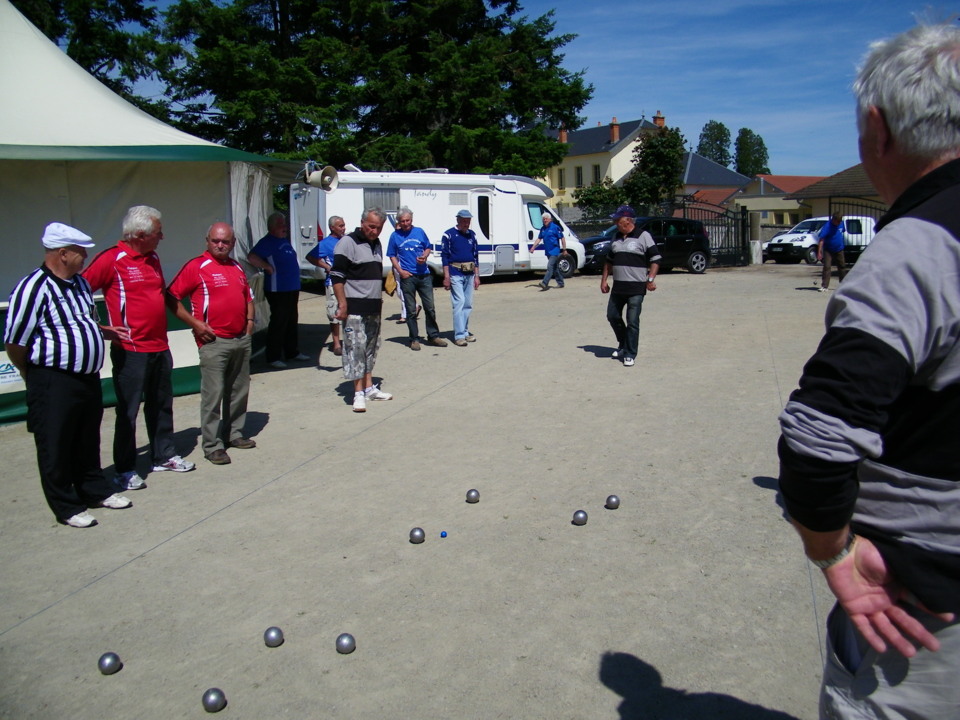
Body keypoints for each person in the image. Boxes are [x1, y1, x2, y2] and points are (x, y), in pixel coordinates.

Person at [777, 22, 960, 720]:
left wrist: (836, 554)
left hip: (927, 609)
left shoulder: (920, 248)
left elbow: (819, 443)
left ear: (878, 130)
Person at [4, 223, 133, 527]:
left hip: (86, 377)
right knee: (56, 443)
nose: (85, 256)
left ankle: (93, 490)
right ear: (62, 253)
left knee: (87, 438)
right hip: (53, 379)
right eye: (80, 252)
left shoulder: (80, 284)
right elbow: (15, 341)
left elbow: (79, 321)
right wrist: (31, 372)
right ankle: (66, 505)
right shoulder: (32, 288)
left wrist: (102, 331)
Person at [83, 205, 195, 492]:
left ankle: (164, 455)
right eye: (158, 232)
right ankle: (124, 469)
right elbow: (79, 291)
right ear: (141, 234)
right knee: (128, 412)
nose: (163, 237)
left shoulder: (153, 256)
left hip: (159, 345)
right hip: (131, 350)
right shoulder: (112, 259)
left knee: (162, 405)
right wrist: (100, 327)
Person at [167, 223, 257, 465]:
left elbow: (248, 297)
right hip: (214, 342)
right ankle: (212, 444)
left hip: (240, 338)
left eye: (225, 241)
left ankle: (234, 433)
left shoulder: (237, 267)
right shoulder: (197, 267)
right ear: (207, 240)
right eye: (216, 241)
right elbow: (171, 296)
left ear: (233, 243)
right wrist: (195, 323)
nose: (220, 245)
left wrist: (249, 321)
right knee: (213, 395)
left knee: (239, 391)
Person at [330, 208, 393, 413]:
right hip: (354, 307)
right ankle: (357, 393)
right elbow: (337, 276)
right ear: (362, 222)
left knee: (370, 349)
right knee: (355, 350)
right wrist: (343, 304)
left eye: (379, 228)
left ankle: (369, 388)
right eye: (371, 226)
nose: (374, 231)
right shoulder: (347, 242)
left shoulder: (377, 244)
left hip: (373, 306)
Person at [247, 211, 309, 369]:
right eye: (281, 225)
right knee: (278, 323)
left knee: (291, 320)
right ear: (272, 227)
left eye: (285, 225)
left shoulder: (283, 240)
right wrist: (266, 266)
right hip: (278, 290)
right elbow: (252, 257)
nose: (285, 228)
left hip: (291, 288)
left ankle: (292, 352)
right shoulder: (268, 242)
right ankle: (273, 356)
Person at [600, 205, 660, 367]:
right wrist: (604, 280)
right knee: (612, 316)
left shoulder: (643, 236)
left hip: (636, 288)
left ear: (627, 221)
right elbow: (609, 261)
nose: (615, 222)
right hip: (618, 288)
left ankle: (630, 353)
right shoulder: (616, 237)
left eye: (617, 220)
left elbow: (655, 259)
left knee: (632, 320)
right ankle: (623, 343)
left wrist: (651, 278)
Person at [387, 207, 448, 351]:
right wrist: (400, 271)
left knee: (430, 307)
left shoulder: (419, 231)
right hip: (408, 277)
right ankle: (414, 338)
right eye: (402, 221)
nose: (405, 223)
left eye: (407, 220)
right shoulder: (395, 236)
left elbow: (427, 247)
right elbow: (392, 255)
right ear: (399, 222)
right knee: (411, 310)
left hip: (424, 275)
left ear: (411, 220)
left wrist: (425, 256)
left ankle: (433, 336)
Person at [306, 215, 346, 358]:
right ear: (332, 228)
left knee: (349, 312)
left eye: (344, 225)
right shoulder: (326, 243)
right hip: (333, 283)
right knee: (334, 313)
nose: (343, 228)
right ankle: (336, 343)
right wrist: (326, 266)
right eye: (340, 226)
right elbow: (310, 257)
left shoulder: (347, 240)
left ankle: (348, 341)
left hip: (348, 283)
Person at [441, 209, 480, 346]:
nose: (466, 224)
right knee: (459, 302)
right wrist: (446, 276)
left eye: (468, 221)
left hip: (469, 274)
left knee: (468, 304)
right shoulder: (449, 235)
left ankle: (465, 331)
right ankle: (458, 335)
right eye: (463, 221)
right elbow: (444, 256)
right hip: (455, 273)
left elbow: (476, 256)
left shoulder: (472, 235)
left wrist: (477, 276)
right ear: (458, 220)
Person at [530, 211, 568, 290]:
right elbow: (539, 238)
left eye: (546, 219)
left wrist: (564, 249)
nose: (545, 220)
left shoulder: (555, 227)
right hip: (548, 251)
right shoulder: (543, 229)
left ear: (550, 219)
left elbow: (562, 238)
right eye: (543, 219)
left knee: (549, 266)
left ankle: (544, 283)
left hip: (555, 250)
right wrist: (533, 247)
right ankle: (561, 283)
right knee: (555, 268)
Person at [816, 211, 848, 292]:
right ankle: (824, 286)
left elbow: (842, 231)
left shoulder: (841, 223)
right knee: (827, 267)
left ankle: (843, 284)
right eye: (837, 221)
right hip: (828, 249)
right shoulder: (827, 226)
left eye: (840, 221)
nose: (839, 223)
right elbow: (821, 239)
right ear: (833, 220)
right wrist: (819, 252)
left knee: (842, 266)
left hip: (839, 248)